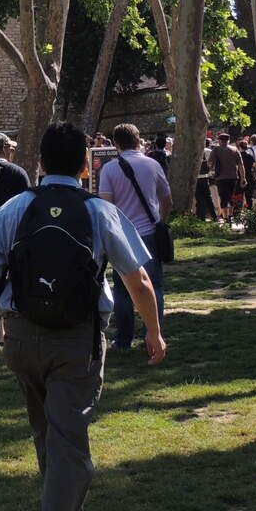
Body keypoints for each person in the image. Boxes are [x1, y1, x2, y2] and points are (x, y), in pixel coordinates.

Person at [0, 122, 165, 511]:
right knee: (70, 452)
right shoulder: (99, 211)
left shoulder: (15, 209)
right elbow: (138, 279)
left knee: (50, 441)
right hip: (77, 341)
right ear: (84, 166)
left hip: (20, 337)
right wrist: (153, 330)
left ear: (40, 161)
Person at [97, 123, 171, 352]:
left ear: (115, 144)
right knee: (154, 285)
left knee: (122, 289)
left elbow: (106, 205)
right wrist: (161, 221)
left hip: (123, 235)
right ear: (139, 141)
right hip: (149, 232)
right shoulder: (153, 164)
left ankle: (124, 339)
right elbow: (167, 198)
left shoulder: (109, 169)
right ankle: (154, 334)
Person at [209, 134, 245, 220]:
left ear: (219, 140)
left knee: (223, 197)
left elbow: (210, 164)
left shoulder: (216, 150)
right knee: (231, 196)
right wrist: (243, 178)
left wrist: (212, 169)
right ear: (228, 140)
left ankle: (225, 217)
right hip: (233, 177)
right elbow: (241, 165)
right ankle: (230, 215)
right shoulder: (235, 149)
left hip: (221, 177)